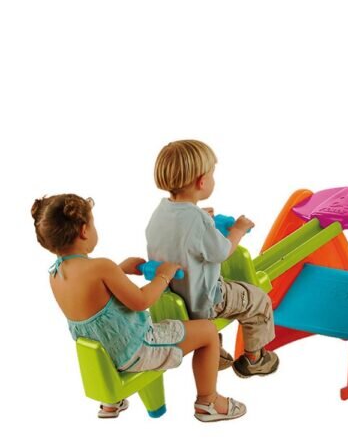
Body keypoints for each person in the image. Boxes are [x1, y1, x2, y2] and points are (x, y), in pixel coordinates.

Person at [32, 193, 246, 422]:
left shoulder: (56, 274)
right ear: (84, 230)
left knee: (108, 334)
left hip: (104, 357)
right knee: (208, 331)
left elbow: (92, 297)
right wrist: (163, 276)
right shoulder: (102, 267)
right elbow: (142, 301)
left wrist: (119, 271)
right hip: (137, 350)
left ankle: (111, 401)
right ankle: (208, 401)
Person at [146, 139, 279, 378]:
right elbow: (221, 252)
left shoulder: (160, 213)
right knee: (258, 300)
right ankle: (255, 359)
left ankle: (214, 352)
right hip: (204, 301)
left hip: (173, 297)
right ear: (202, 181)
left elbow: (182, 235)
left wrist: (203, 219)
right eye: (212, 174)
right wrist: (238, 230)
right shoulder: (197, 220)